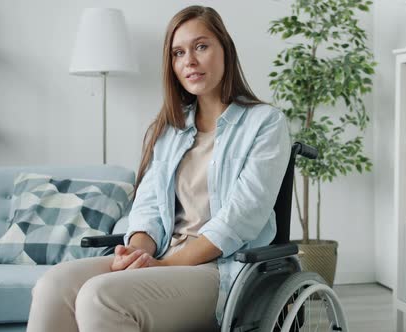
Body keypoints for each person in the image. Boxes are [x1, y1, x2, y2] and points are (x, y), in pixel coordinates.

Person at [27, 5, 290, 332]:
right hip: (163, 256)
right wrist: (137, 254)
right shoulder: (170, 129)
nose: (189, 61)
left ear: (226, 49)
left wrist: (161, 265)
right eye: (178, 53)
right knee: (53, 285)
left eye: (201, 46)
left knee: (100, 296)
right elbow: (148, 207)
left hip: (220, 270)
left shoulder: (265, 123)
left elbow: (239, 220)